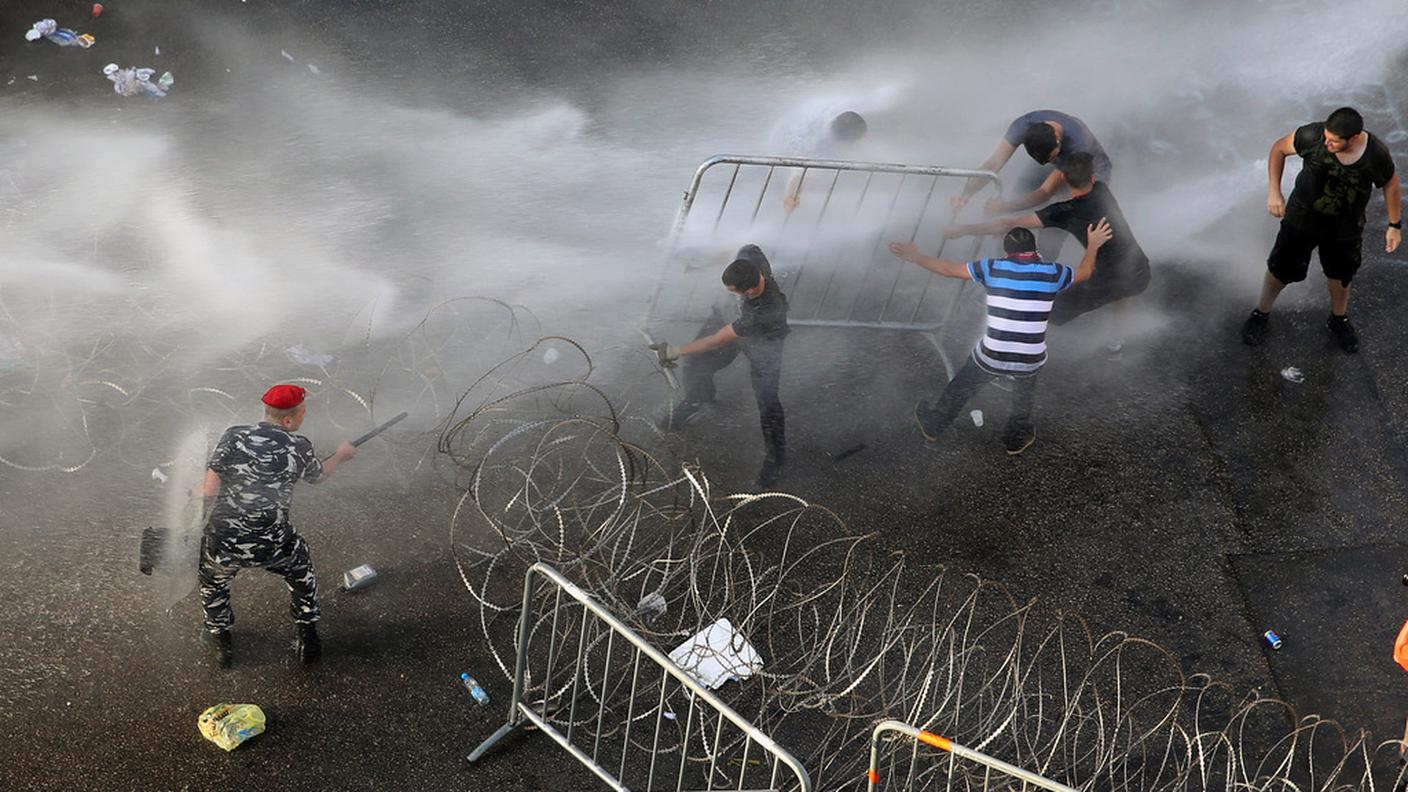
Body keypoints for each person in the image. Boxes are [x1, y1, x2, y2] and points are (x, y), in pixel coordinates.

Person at [888, 220, 1112, 454]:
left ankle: (934, 425)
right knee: (1024, 389)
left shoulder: (991, 268)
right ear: (1034, 249)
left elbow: (947, 269)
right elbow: (1086, 272)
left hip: (992, 354)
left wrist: (916, 257)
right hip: (1030, 357)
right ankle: (1016, 437)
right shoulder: (1053, 272)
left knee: (962, 386)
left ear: (1007, 253)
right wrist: (1093, 244)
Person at [197, 384, 358, 668]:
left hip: (225, 540)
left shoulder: (233, 435)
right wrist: (342, 455)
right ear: (288, 420)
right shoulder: (299, 446)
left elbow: (208, 493)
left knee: (213, 583)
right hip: (273, 541)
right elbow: (318, 475)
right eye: (303, 413)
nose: (304, 418)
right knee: (302, 571)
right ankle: (308, 636)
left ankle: (222, 643)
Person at [1240, 107, 1401, 352]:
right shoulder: (1313, 136)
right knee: (1280, 269)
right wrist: (1274, 191)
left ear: (1355, 137)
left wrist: (1394, 225)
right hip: (1302, 218)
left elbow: (1390, 183)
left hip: (1345, 226)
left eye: (1334, 141)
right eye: (1327, 137)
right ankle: (1261, 312)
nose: (1327, 143)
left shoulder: (1375, 154)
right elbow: (1279, 149)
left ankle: (1339, 319)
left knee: (1341, 275)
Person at [944, 152, 1150, 330]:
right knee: (1116, 287)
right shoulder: (1102, 191)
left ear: (1062, 177)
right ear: (1093, 177)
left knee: (1046, 308)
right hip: (1141, 269)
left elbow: (1009, 224)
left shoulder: (1067, 212)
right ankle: (1119, 339)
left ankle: (1012, 342)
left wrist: (964, 229)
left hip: (1116, 280)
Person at [650, 244, 789, 488]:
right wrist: (703, 260)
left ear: (751, 289)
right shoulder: (750, 256)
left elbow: (717, 341)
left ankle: (776, 459)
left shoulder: (765, 309)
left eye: (734, 291)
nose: (731, 293)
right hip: (727, 320)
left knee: (767, 401)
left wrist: (674, 351)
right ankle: (698, 398)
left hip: (763, 342)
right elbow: (738, 248)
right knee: (696, 365)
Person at [951, 109, 1113, 217]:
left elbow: (1046, 192)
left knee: (1059, 216)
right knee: (1021, 191)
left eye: (1051, 158)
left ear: (1058, 140)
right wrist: (966, 195)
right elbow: (993, 164)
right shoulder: (1023, 125)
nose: (1049, 163)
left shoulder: (1077, 145)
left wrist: (1005, 208)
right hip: (1058, 160)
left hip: (1088, 171)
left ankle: (1046, 259)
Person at [782, 110, 870, 214]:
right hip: (786, 157)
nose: (858, 143)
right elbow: (798, 171)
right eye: (857, 140)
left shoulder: (828, 122)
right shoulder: (814, 145)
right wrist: (791, 197)